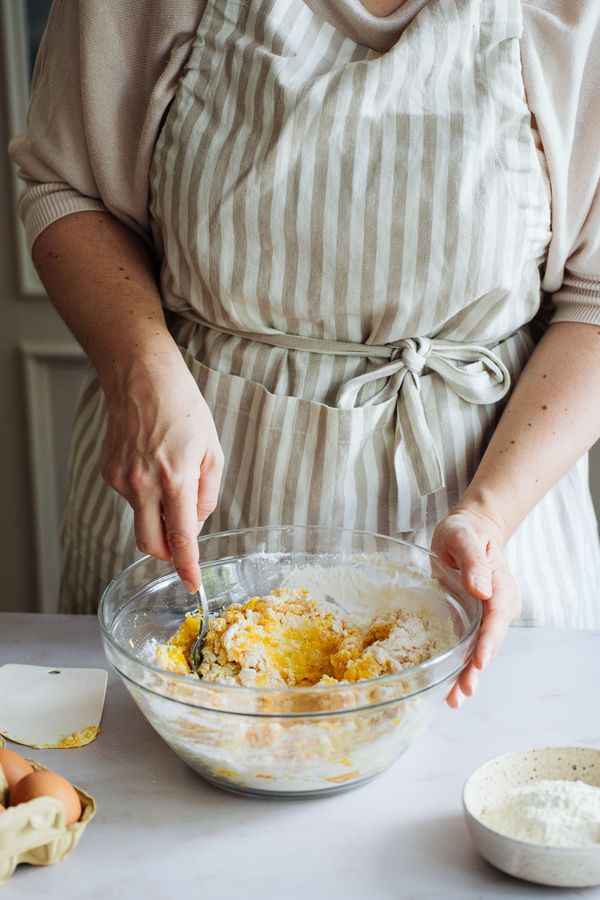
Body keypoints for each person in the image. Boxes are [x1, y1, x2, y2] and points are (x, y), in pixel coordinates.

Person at [9, 0, 600, 709]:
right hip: (195, 505)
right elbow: (64, 186)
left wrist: (489, 516)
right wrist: (140, 367)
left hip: (499, 517)